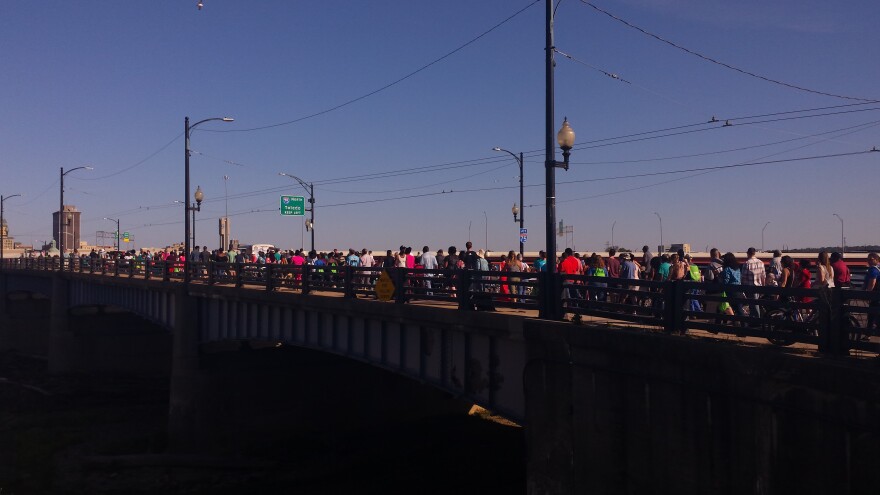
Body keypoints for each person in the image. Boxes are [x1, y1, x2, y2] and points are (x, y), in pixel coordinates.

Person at [741, 247, 766, 319]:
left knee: (753, 305)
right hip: (759, 286)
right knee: (756, 304)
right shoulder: (761, 262)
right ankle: (755, 319)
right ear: (754, 253)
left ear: (748, 253)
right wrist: (764, 287)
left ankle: (756, 320)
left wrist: (742, 288)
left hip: (750, 287)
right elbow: (763, 276)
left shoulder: (747, 263)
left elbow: (743, 277)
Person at [863, 253, 880, 331]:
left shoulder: (873, 270)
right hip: (877, 295)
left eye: (871, 259)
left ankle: (868, 334)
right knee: (876, 314)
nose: (869, 261)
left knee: (871, 315)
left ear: (876, 260)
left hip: (875, 295)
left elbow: (872, 283)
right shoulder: (877, 268)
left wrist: (867, 294)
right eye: (868, 259)